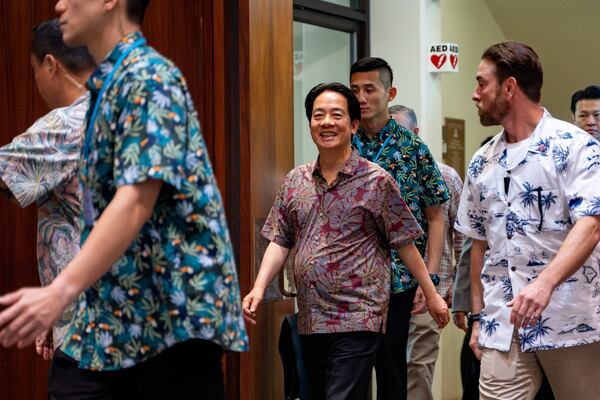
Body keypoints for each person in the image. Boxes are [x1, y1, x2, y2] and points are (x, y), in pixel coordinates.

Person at [0, 1, 248, 398]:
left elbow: (135, 201)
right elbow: (98, 211)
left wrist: (58, 292)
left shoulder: (149, 77)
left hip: (167, 319)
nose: (60, 4)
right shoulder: (107, 87)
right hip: (116, 315)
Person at [243, 82, 449, 400]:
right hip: (311, 316)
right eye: (318, 115)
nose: (326, 122)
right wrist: (258, 287)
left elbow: (404, 241)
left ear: (353, 125)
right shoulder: (295, 181)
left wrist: (431, 293)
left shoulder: (376, 180)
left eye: (336, 115)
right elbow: (280, 239)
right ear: (310, 123)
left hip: (359, 314)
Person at [456, 41, 600, 399]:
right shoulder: (481, 161)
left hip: (570, 320)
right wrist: (477, 317)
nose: (475, 94)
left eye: (481, 83)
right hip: (502, 324)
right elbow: (478, 244)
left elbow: (592, 224)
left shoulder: (575, 146)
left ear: (509, 87)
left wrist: (544, 284)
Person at [350, 57, 449, 400]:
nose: (361, 98)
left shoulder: (413, 148)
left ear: (389, 92)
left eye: (369, 89)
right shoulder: (343, 147)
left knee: (393, 371)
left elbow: (436, 217)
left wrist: (431, 280)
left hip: (400, 279)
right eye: (355, 90)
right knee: (351, 372)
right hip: (351, 283)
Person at [0, 18, 95, 360]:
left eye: (34, 70)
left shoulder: (66, 124)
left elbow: (4, 174)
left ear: (51, 65)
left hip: (89, 325)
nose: (36, 81)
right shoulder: (120, 110)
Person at [389, 105, 465, 400]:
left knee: (417, 367)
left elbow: (462, 237)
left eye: (401, 134)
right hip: (384, 291)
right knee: (389, 368)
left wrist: (455, 291)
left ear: (416, 134)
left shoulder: (444, 176)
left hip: (431, 290)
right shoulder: (376, 176)